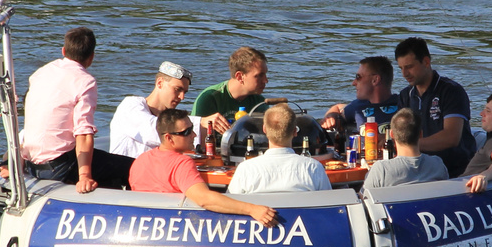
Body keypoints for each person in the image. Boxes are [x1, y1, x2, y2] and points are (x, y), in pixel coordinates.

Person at [20, 26, 134, 193]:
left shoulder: (40, 73)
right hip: (59, 166)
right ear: (92, 57)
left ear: (64, 50)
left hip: (32, 164)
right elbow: (84, 133)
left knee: (103, 161)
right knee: (131, 167)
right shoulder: (85, 81)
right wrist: (85, 176)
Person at [129, 110, 280, 226]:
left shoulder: (140, 161)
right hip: (174, 224)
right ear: (169, 138)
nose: (194, 135)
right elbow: (205, 200)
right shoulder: (181, 163)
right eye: (186, 132)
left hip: (145, 223)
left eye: (192, 129)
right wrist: (252, 210)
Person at [394, 36, 477, 177]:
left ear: (426, 62)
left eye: (409, 67)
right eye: (401, 68)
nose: (404, 74)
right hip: (419, 170)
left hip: (455, 171)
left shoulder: (451, 91)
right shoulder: (405, 95)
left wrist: (411, 145)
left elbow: (451, 137)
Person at [226, 105, 333, 194]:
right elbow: (328, 205)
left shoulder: (246, 169)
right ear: (295, 131)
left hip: (260, 218)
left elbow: (232, 205)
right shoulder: (313, 168)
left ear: (264, 129)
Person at [108, 61, 192, 158]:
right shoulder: (129, 106)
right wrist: (202, 123)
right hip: (124, 171)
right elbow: (154, 131)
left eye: (184, 92)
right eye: (178, 89)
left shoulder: (168, 118)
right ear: (160, 83)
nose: (182, 97)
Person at [191, 46, 274, 136]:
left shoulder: (259, 102)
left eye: (265, 74)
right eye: (259, 75)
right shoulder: (209, 98)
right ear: (239, 76)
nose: (266, 80)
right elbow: (192, 134)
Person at [362, 108, 449, 189]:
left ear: (391, 135)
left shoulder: (382, 169)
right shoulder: (438, 165)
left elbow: (364, 198)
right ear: (421, 134)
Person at [319, 56, 401, 137]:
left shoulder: (403, 103)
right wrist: (330, 116)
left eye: (358, 77)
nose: (353, 83)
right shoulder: (358, 106)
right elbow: (338, 108)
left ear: (375, 80)